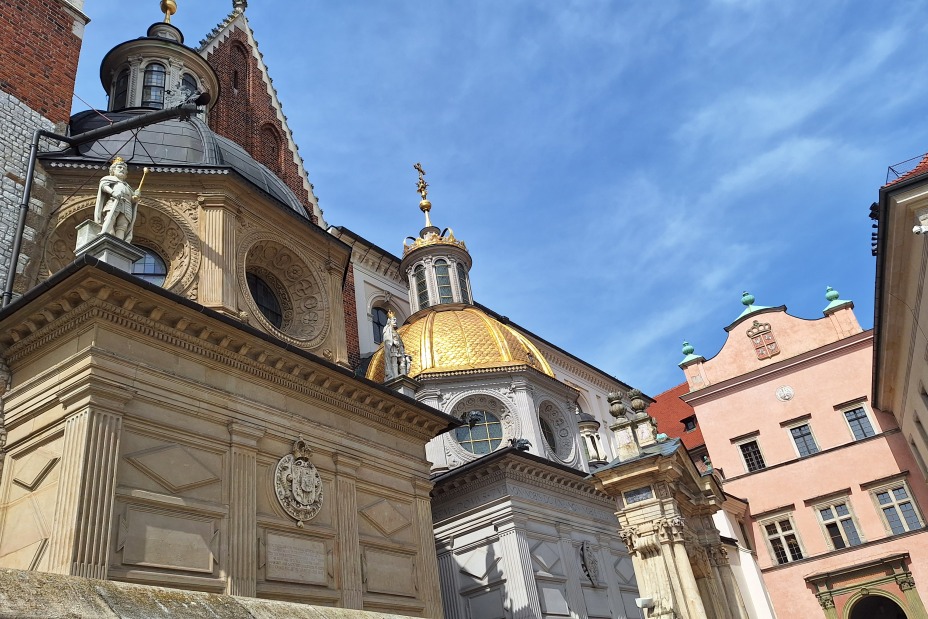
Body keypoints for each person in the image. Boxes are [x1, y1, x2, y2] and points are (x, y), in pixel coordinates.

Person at [94, 157, 140, 242]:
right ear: (113, 170)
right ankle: (105, 234)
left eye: (124, 169)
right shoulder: (109, 179)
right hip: (115, 201)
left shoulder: (127, 186)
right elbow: (104, 186)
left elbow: (132, 198)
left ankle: (120, 242)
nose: (122, 169)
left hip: (127, 205)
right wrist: (112, 192)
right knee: (110, 218)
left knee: (123, 226)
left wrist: (135, 197)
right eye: (119, 167)